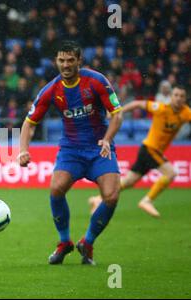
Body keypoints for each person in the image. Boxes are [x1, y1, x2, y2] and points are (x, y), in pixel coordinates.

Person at [18, 41, 123, 265]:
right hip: (71, 150)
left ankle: (88, 242)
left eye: (70, 60)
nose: (65, 65)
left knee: (112, 196)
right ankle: (64, 242)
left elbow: (117, 114)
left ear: (79, 61)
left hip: (99, 148)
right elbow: (29, 123)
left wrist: (107, 139)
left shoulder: (96, 81)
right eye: (61, 60)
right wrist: (23, 151)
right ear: (56, 61)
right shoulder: (51, 89)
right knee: (56, 189)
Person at [89, 85, 191, 218]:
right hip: (149, 149)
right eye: (176, 95)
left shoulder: (186, 112)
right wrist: (118, 112)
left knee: (128, 182)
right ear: (171, 97)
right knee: (170, 173)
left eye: (181, 96)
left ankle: (98, 199)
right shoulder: (160, 108)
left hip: (151, 151)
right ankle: (147, 201)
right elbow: (137, 103)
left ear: (185, 99)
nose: (178, 99)